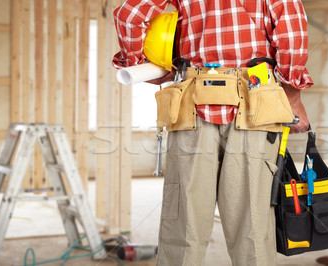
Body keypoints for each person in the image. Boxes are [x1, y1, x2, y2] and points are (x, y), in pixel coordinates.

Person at [112, 0, 313, 265]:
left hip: (192, 102)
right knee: (251, 225)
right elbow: (292, 33)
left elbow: (129, 15)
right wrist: (292, 95)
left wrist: (138, 61)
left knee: (184, 222)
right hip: (255, 100)